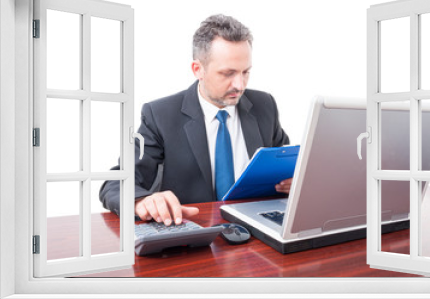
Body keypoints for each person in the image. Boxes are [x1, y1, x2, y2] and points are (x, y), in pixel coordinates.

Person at [100, 14, 291, 226]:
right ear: (198, 69)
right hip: (194, 234)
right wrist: (142, 200)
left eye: (245, 72)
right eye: (228, 73)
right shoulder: (160, 115)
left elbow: (285, 164)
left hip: (258, 230)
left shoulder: (265, 105)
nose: (239, 84)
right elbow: (115, 183)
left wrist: (296, 182)